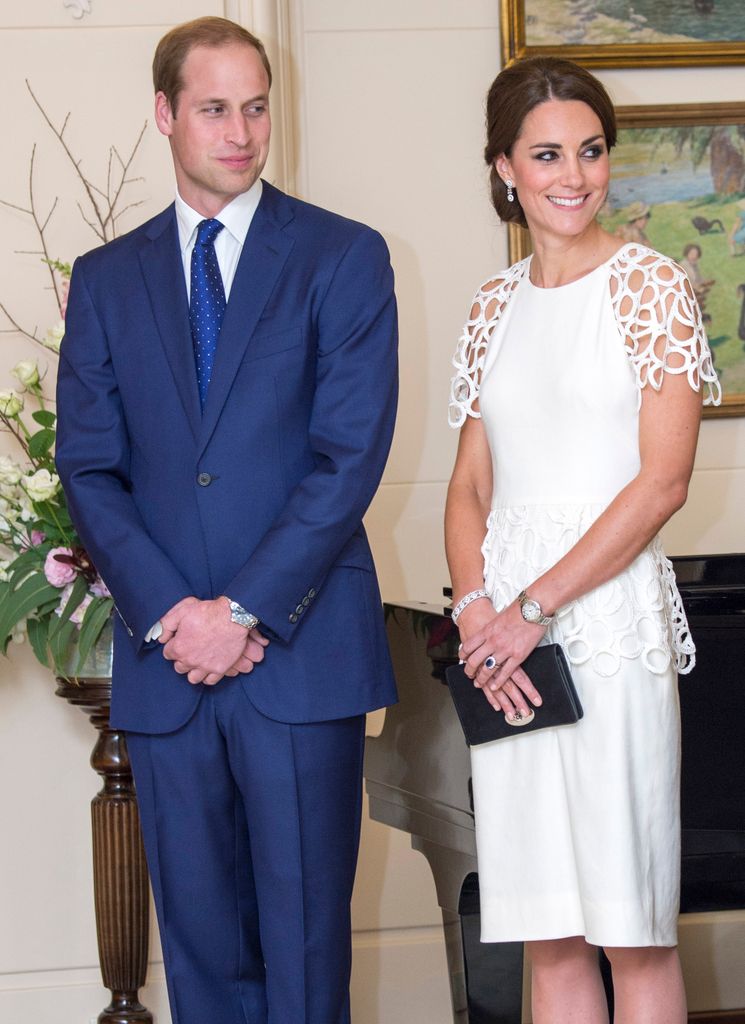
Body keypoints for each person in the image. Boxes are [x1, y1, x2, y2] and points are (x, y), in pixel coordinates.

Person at [55, 16, 398, 1024]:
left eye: (255, 107)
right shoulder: (106, 280)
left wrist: (241, 610)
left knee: (304, 962)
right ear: (164, 114)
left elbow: (347, 460)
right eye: (214, 108)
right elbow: (89, 465)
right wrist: (175, 614)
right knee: (202, 965)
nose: (240, 131)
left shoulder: (343, 256)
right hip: (168, 674)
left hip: (298, 660)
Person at [445, 56, 719, 1024]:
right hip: (505, 654)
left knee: (631, 927)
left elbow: (661, 483)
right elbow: (470, 483)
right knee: (547, 930)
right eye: (547, 153)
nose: (573, 175)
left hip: (604, 633)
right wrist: (477, 613)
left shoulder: (651, 289)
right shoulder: (489, 306)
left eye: (591, 151)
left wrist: (528, 610)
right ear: (503, 168)